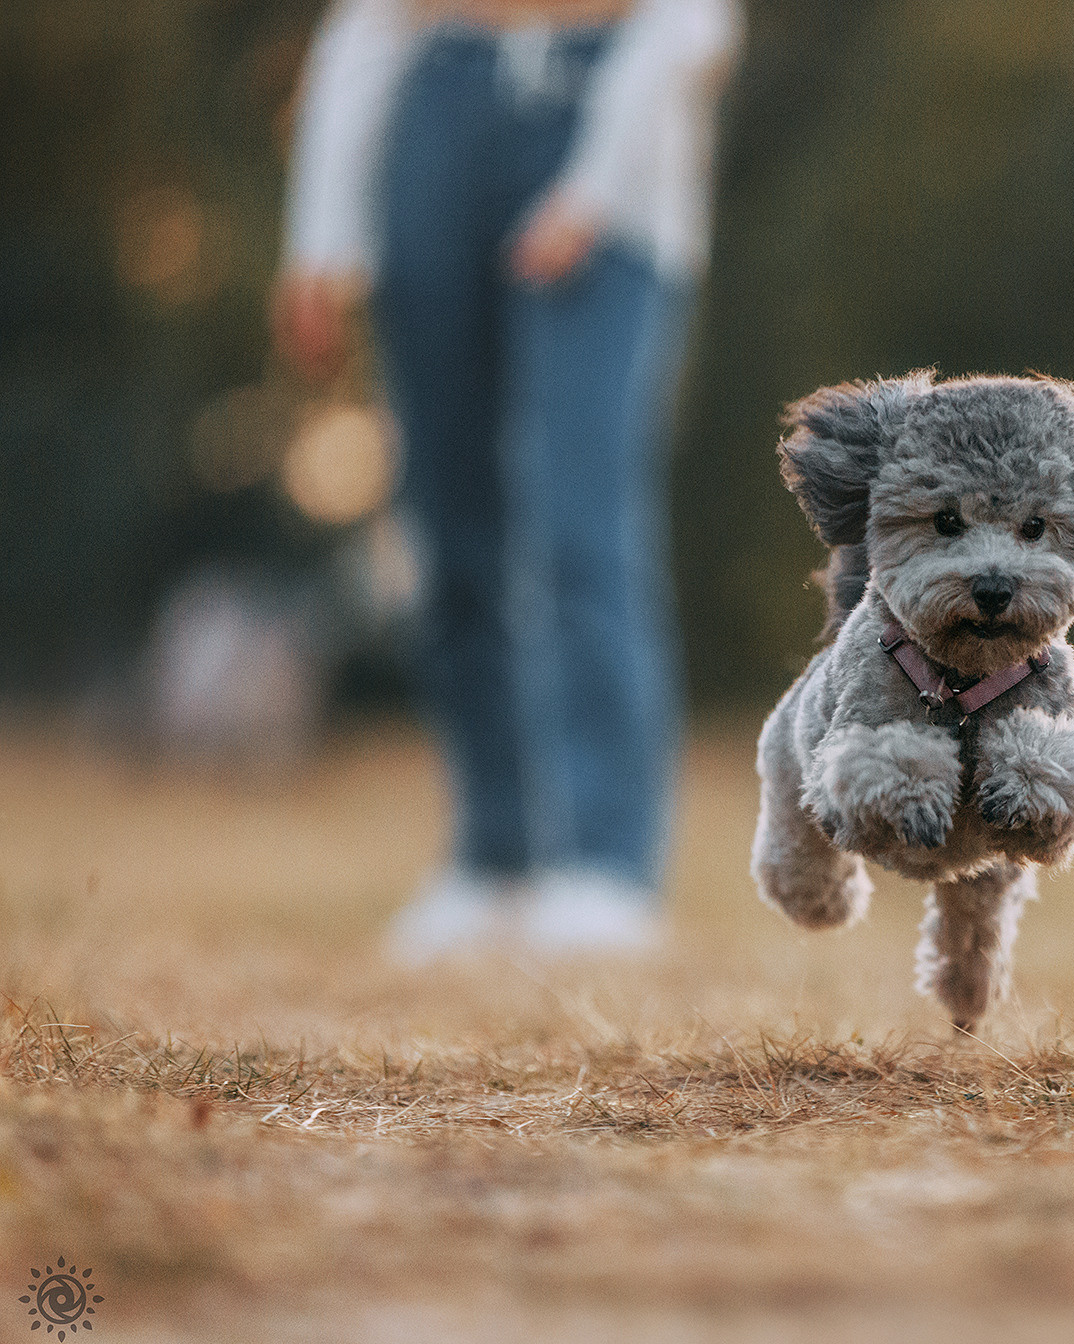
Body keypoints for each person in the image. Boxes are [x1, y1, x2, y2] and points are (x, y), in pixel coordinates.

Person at [273, 0, 739, 960]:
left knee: (583, 524)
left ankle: (608, 866)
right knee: (446, 525)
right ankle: (493, 861)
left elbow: (695, 22)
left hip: (611, 111)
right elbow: (367, 23)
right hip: (439, 115)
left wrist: (592, 188)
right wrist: (319, 238)